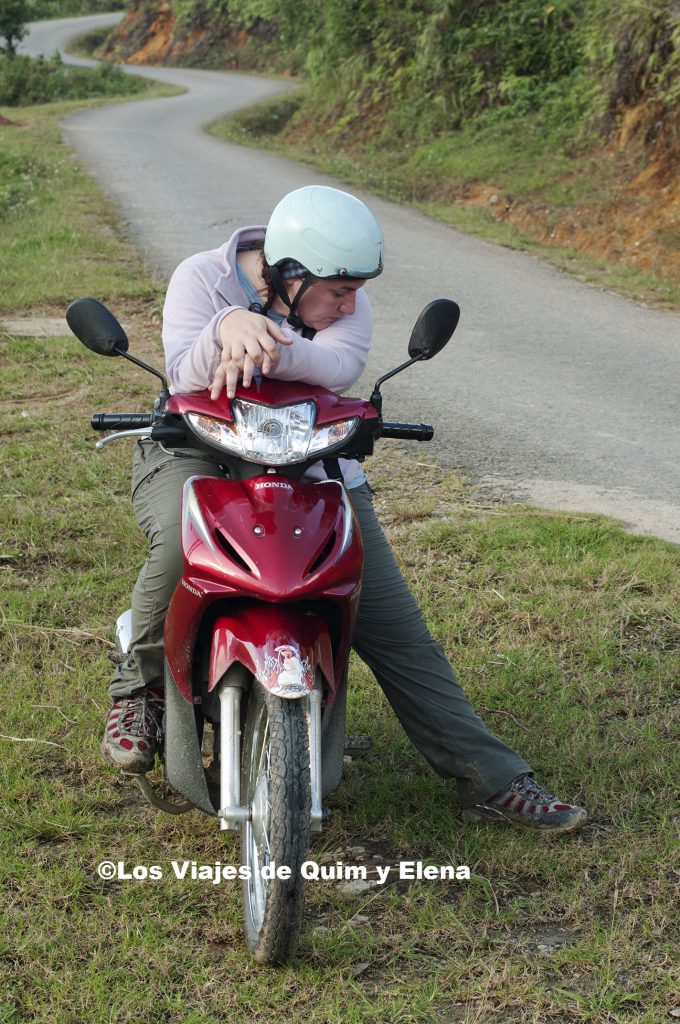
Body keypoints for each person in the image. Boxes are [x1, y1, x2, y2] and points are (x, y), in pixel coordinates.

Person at [103, 185, 587, 834]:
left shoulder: (341, 308)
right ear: (289, 272)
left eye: (357, 288)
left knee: (392, 624)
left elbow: (337, 368)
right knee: (174, 551)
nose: (351, 303)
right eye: (339, 290)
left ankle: (495, 780)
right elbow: (186, 376)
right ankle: (136, 691)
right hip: (193, 449)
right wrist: (225, 324)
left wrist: (261, 334)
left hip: (313, 461)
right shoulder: (203, 278)